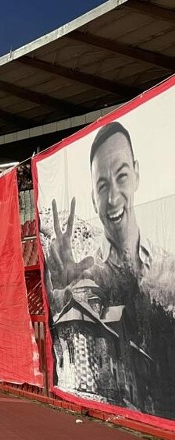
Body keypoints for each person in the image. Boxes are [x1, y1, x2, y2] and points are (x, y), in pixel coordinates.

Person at [46, 121, 175, 417]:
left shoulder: (167, 267)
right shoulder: (87, 273)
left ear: (137, 175)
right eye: (102, 186)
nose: (113, 198)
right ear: (93, 197)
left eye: (122, 176)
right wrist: (59, 287)